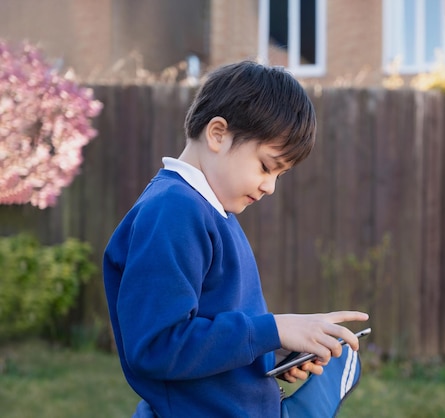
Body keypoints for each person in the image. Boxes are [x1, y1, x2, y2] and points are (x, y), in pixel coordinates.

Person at [102, 60, 369, 418]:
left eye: (280, 174)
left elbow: (217, 333)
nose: (270, 185)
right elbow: (158, 346)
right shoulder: (173, 210)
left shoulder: (212, 211)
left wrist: (274, 350)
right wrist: (272, 328)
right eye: (265, 166)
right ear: (217, 134)